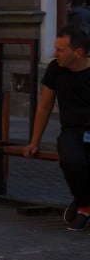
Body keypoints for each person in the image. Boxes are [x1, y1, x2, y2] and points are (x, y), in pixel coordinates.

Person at [23, 25, 90, 230]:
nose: (55, 53)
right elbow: (44, 107)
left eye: (60, 50)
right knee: (71, 159)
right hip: (71, 130)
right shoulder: (55, 69)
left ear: (77, 53)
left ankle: (82, 202)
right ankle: (84, 205)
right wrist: (34, 141)